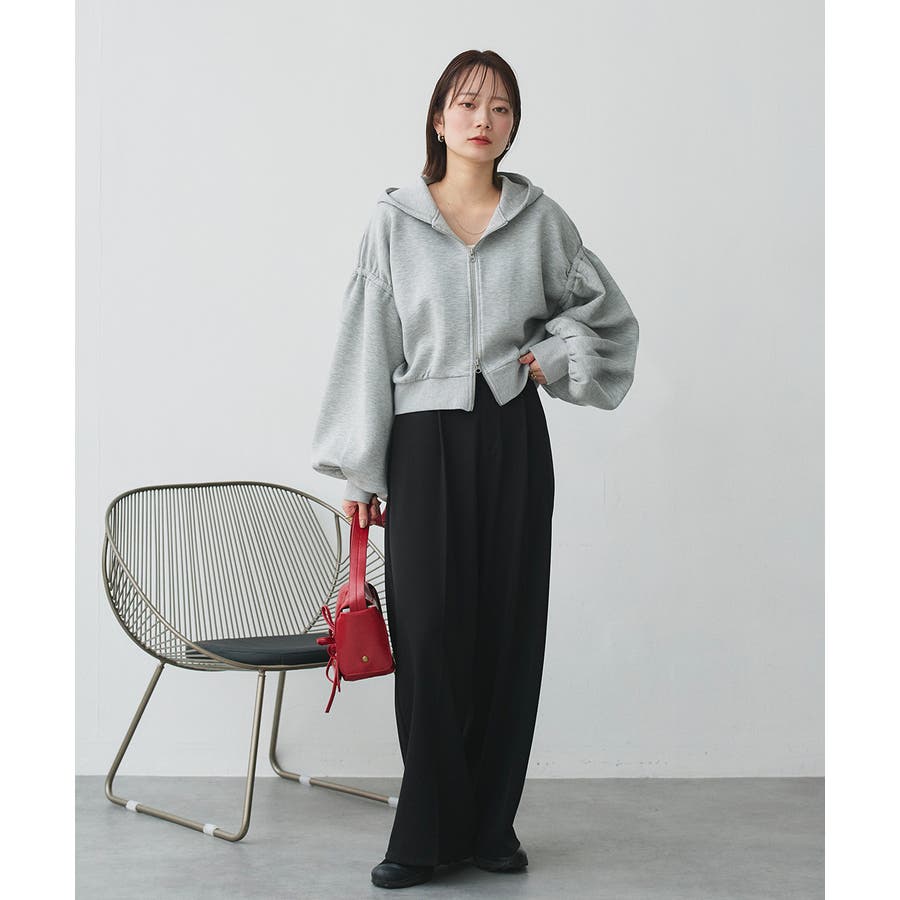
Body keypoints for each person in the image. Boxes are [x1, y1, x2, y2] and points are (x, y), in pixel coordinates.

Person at [311, 49, 640, 890]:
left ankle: (493, 828)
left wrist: (551, 358)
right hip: (420, 442)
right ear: (438, 118)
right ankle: (424, 833)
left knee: (507, 628)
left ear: (513, 124)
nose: (482, 120)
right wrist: (360, 472)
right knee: (428, 635)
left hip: (510, 432)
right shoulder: (394, 222)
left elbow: (607, 317)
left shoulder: (540, 221)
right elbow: (366, 346)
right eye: (466, 103)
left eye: (499, 107)